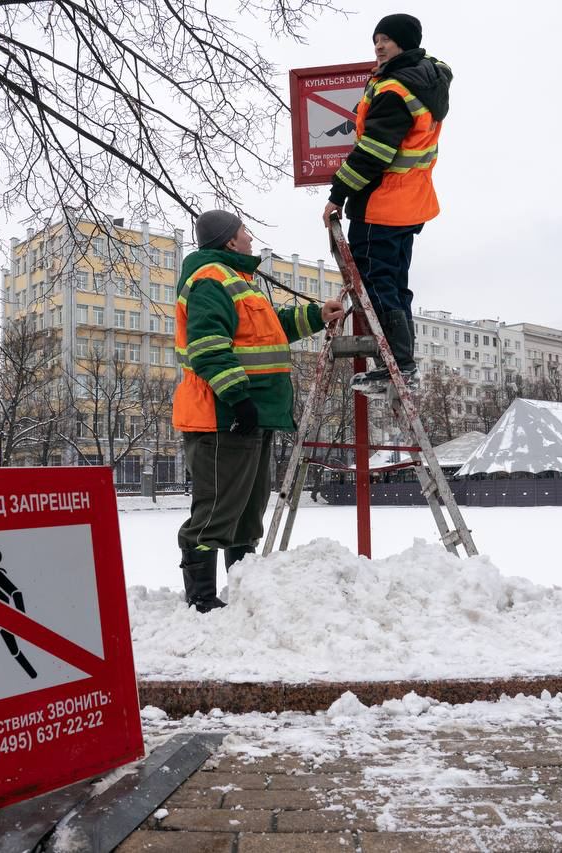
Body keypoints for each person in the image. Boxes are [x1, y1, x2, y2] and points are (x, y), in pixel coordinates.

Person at [174, 210, 345, 612]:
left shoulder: (242, 282)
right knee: (216, 512)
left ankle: (241, 594)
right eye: (244, 232)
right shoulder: (211, 280)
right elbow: (207, 347)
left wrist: (317, 316)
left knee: (245, 516)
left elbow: (272, 329)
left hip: (250, 416)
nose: (250, 238)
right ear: (230, 241)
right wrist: (238, 398)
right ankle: (200, 600)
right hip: (222, 417)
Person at [322, 13, 452, 393]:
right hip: (410, 203)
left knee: (378, 283)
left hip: (382, 204)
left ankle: (395, 365)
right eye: (376, 39)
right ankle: (402, 366)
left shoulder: (395, 88)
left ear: (405, 43)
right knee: (395, 284)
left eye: (387, 40)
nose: (378, 46)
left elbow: (373, 152)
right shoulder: (425, 83)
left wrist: (337, 194)